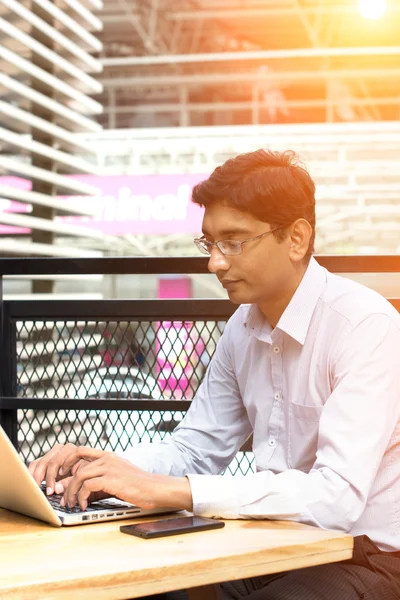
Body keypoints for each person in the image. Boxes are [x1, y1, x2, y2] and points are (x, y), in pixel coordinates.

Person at [28, 150, 400, 600]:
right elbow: (195, 448)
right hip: (271, 543)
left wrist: (176, 492)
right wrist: (107, 470)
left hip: (367, 557)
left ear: (297, 239)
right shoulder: (242, 329)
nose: (215, 263)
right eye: (209, 243)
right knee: (131, 587)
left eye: (234, 242)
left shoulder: (364, 326)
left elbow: (334, 500)